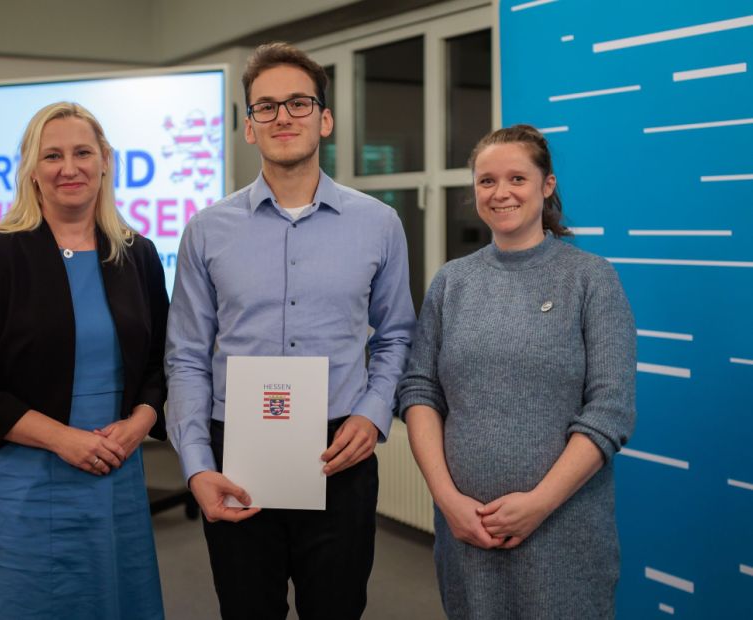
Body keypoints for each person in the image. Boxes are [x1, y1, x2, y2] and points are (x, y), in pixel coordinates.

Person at [165, 42, 416, 619]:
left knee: (337, 609)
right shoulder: (207, 231)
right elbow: (185, 356)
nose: (283, 117)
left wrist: (374, 413)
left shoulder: (379, 224)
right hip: (236, 451)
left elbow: (398, 334)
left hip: (340, 452)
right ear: (249, 127)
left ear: (325, 119)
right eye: (266, 107)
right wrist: (198, 465)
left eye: (299, 104)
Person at [0, 102, 168, 619]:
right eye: (52, 155)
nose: (70, 167)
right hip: (19, 479)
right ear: (31, 171)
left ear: (105, 160)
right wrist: (63, 438)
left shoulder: (137, 253)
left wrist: (139, 424)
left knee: (110, 601)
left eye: (83, 152)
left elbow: (159, 364)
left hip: (114, 467)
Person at [399, 124, 636, 619]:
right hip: (466, 535)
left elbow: (610, 410)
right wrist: (446, 500)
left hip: (564, 533)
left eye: (517, 179)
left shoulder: (590, 278)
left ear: (546, 185)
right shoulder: (452, 283)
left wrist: (538, 504)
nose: (500, 193)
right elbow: (420, 390)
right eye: (487, 181)